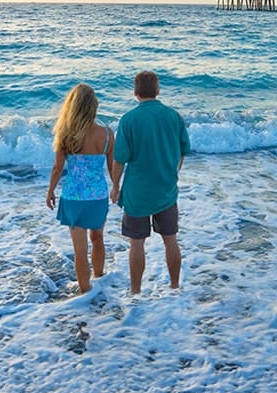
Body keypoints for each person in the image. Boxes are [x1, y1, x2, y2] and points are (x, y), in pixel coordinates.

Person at [110, 71, 190, 294]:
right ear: (157, 90)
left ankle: (135, 291)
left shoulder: (129, 120)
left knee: (137, 243)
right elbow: (183, 151)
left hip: (137, 193)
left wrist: (115, 186)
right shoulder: (173, 116)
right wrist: (172, 172)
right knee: (170, 240)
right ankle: (174, 287)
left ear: (135, 92)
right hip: (166, 189)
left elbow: (120, 160)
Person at [45, 83, 113, 293]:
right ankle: (99, 277)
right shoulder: (108, 134)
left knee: (80, 250)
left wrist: (50, 191)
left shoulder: (65, 135)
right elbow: (113, 167)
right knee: (98, 238)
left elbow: (57, 168)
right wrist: (117, 188)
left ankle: (86, 293)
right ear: (94, 106)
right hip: (98, 196)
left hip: (73, 197)